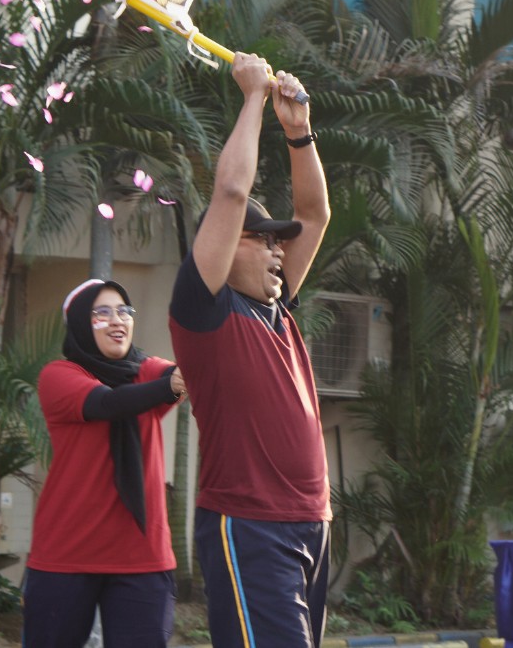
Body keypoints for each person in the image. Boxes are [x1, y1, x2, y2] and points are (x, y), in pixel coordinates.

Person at [169, 53, 332, 648]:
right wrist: (252, 98)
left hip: (312, 522)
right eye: (261, 240)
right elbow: (233, 191)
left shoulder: (279, 307)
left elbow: (314, 215)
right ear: (220, 246)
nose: (276, 251)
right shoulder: (205, 309)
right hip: (250, 524)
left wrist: (299, 132)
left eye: (276, 243)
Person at [23, 279, 185, 648]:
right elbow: (107, 404)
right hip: (67, 554)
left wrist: (183, 373)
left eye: (124, 311)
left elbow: (173, 374)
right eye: (103, 312)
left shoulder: (147, 371)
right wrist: (171, 385)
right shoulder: (58, 376)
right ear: (82, 323)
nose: (117, 320)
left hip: (143, 558)